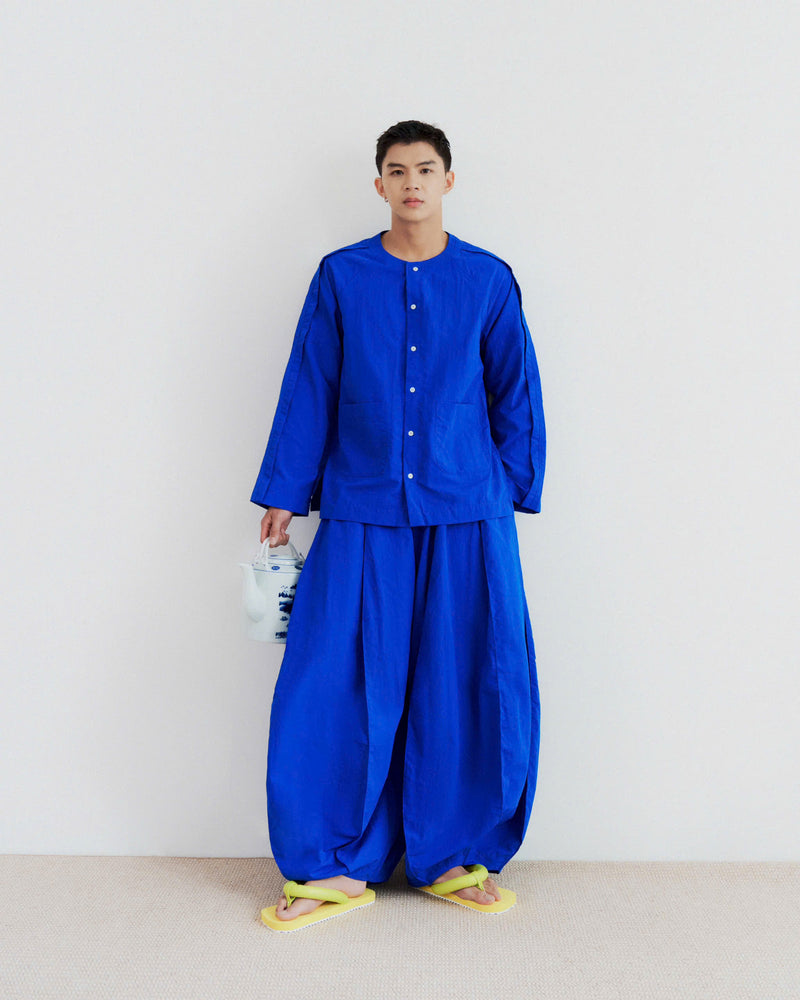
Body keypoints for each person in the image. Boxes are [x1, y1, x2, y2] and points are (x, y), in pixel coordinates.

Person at [251, 120, 545, 931]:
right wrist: (286, 491)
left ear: (448, 179)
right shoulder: (342, 276)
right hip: (361, 504)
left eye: (425, 168)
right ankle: (330, 865)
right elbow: (311, 383)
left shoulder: (487, 279)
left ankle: (456, 855)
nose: (412, 182)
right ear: (378, 184)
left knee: (468, 680)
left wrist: (506, 488)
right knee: (334, 682)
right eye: (396, 170)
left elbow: (516, 387)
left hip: (467, 510)